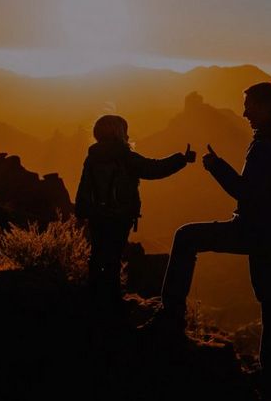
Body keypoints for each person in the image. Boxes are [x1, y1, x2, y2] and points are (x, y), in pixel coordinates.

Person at [151, 82, 271, 397]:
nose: (244, 113)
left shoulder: (266, 146)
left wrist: (215, 166)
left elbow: (245, 191)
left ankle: (170, 318)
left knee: (186, 237)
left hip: (253, 230)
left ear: (265, 106)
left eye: (249, 106)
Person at [75, 115, 195, 309]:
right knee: (114, 258)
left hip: (97, 216)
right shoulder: (125, 157)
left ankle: (95, 297)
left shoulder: (92, 157)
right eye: (125, 130)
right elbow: (154, 169)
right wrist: (181, 159)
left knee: (97, 255)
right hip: (119, 217)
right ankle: (112, 302)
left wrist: (81, 212)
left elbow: (84, 186)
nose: (128, 134)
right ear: (119, 132)